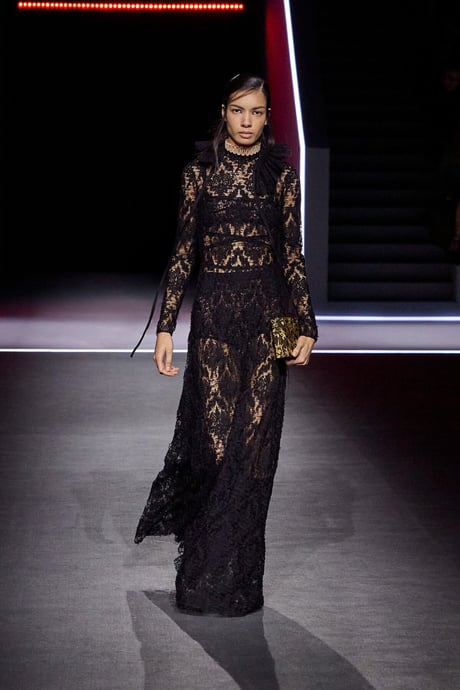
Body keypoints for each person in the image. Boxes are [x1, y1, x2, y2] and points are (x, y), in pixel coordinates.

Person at [133, 72, 318, 616]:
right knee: (213, 449)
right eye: (238, 110)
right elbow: (183, 253)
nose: (246, 121)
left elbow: (292, 255)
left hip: (269, 322)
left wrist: (306, 325)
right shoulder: (200, 173)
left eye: (256, 112)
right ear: (223, 112)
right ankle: (201, 572)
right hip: (214, 321)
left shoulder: (282, 177)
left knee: (256, 452)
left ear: (267, 116)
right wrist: (165, 327)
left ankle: (239, 581)